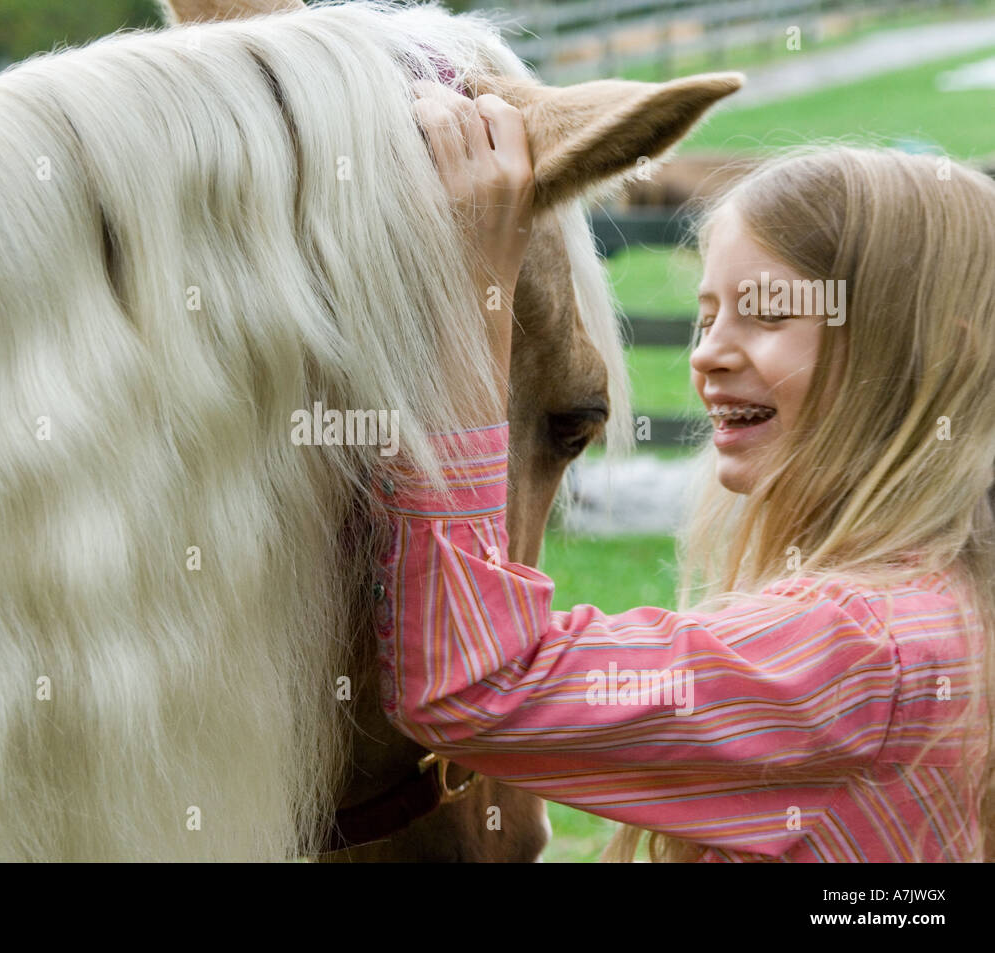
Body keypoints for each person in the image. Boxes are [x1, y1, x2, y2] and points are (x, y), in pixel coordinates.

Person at [380, 80, 995, 862]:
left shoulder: (861, 655)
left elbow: (477, 685)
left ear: (936, 352)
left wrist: (469, 299)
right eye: (707, 317)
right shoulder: (942, 609)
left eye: (769, 311)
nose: (707, 353)